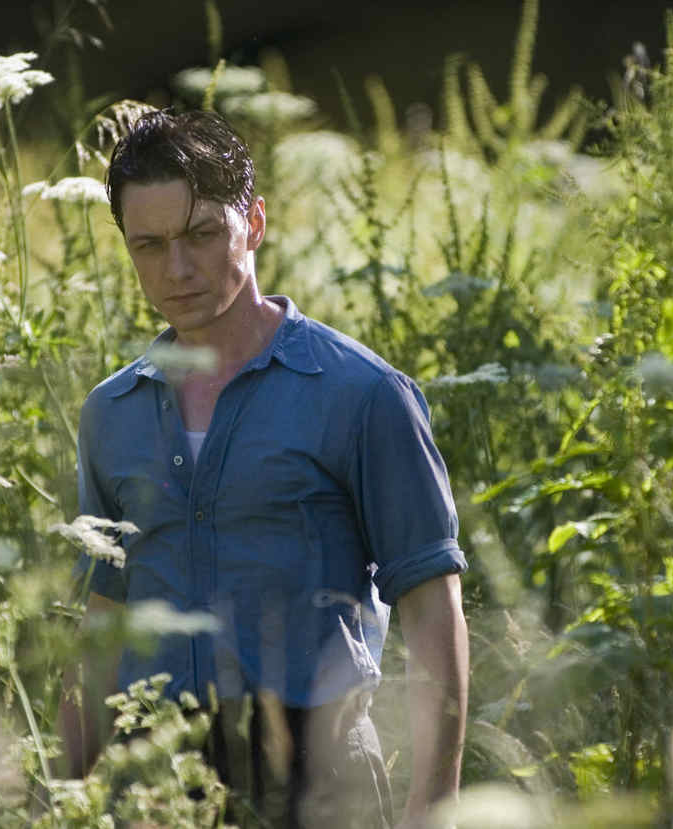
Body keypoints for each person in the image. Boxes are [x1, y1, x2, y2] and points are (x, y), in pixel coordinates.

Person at [62, 109, 469, 829]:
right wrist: (64, 798)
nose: (177, 269)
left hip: (322, 782)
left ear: (252, 224)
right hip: (151, 787)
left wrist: (433, 811)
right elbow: (104, 623)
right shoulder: (110, 414)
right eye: (150, 245)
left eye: (200, 234)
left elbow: (432, 609)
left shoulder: (362, 395)